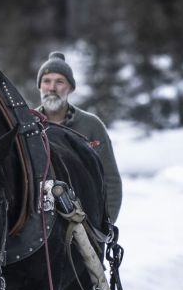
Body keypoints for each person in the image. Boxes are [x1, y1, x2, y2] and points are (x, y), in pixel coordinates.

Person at [36, 51, 122, 223]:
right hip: (40, 226)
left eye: (59, 81)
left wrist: (107, 225)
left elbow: (110, 180)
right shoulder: (28, 126)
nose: (52, 88)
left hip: (85, 224)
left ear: (70, 88)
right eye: (46, 81)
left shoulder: (91, 126)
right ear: (40, 87)